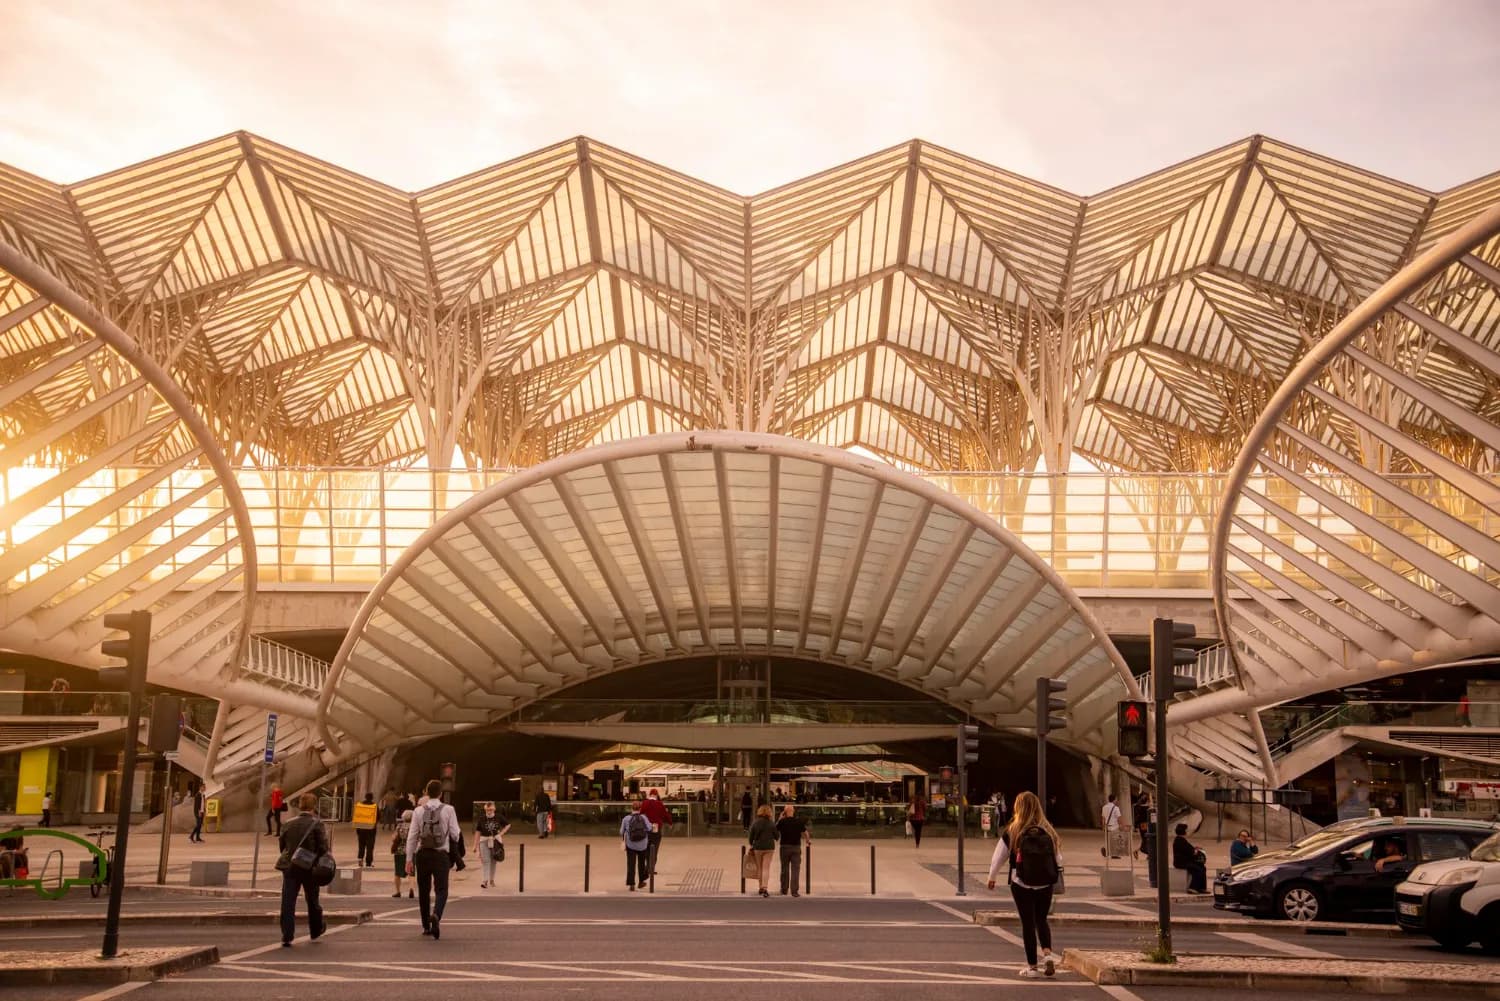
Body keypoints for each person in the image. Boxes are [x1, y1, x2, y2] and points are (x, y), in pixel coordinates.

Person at [987, 790, 1061, 979]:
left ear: (1018, 808)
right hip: (1045, 883)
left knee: (1027, 923)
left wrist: (992, 877)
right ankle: (1047, 954)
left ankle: (1032, 967)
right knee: (1041, 919)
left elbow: (999, 857)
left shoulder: (1013, 830)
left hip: (1020, 882)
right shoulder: (1049, 830)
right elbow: (1059, 859)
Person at [406, 779, 460, 940]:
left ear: (427, 793)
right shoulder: (449, 809)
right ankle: (436, 914)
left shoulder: (418, 811)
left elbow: (412, 836)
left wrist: (409, 859)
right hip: (440, 854)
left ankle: (425, 926)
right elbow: (455, 833)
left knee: (423, 891)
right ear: (441, 794)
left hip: (423, 854)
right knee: (441, 889)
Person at [276, 792, 329, 948]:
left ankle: (287, 935)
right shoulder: (317, 824)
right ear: (313, 806)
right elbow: (323, 848)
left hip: (290, 866)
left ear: (300, 806)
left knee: (288, 901)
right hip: (309, 867)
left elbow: (282, 846)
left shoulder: (288, 823)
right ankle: (315, 929)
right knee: (312, 900)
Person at [775, 804, 810, 897]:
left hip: (784, 847)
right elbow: (805, 832)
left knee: (784, 869)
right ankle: (794, 891)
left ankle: (784, 889)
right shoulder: (798, 822)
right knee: (795, 869)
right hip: (796, 847)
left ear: (784, 812)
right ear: (793, 812)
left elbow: (775, 830)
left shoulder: (782, 822)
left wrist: (779, 818)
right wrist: (808, 841)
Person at [474, 801, 509, 889]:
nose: (489, 812)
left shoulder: (498, 817)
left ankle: (492, 879)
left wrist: (501, 833)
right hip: (484, 841)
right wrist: (475, 845)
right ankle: (485, 881)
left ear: (494, 809)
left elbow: (508, 825)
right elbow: (478, 832)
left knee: (494, 861)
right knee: (486, 861)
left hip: (495, 841)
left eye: (490, 810)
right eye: (487, 810)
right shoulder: (481, 818)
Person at [620, 800, 652, 890]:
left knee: (631, 864)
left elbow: (621, 831)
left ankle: (631, 884)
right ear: (640, 808)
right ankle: (641, 881)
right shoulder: (644, 818)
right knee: (641, 863)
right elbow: (649, 828)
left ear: (631, 808)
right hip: (643, 845)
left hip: (631, 845)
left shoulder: (626, 819)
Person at [747, 804, 776, 897]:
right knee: (766, 868)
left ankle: (760, 887)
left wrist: (751, 844)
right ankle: (765, 887)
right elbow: (777, 836)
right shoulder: (771, 823)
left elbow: (751, 836)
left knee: (759, 868)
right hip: (769, 847)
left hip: (758, 847)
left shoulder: (755, 823)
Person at [640, 788, 671, 875]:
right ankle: (651, 868)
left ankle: (646, 867)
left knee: (646, 848)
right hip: (656, 828)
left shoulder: (645, 803)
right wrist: (670, 822)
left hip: (646, 828)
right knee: (655, 848)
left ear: (650, 795)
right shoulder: (659, 804)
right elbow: (665, 815)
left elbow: (641, 813)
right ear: (657, 795)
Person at [1172, 823, 1207, 893]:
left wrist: (1195, 848)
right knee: (1198, 870)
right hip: (1182, 862)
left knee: (1202, 867)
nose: (1187, 831)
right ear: (1184, 831)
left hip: (1186, 861)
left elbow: (1189, 848)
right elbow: (1190, 851)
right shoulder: (1180, 841)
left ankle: (1201, 888)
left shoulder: (1181, 840)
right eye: (1186, 830)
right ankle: (1193, 887)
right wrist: (1195, 851)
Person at [391, 807, 414, 898]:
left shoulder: (399, 826)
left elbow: (394, 838)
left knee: (397, 872)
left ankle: (398, 891)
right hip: (411, 851)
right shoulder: (414, 826)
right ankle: (411, 889)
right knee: (411, 872)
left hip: (400, 851)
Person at [352, 792, 378, 867]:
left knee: (361, 845)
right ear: (372, 798)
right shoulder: (374, 806)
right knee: (370, 847)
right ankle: (368, 863)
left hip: (361, 829)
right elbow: (378, 817)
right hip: (371, 829)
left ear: (365, 797)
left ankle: (360, 859)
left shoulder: (359, 805)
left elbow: (356, 816)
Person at [1134, 817, 1156, 888]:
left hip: (1144, 828)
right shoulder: (1144, 815)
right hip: (1144, 828)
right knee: (1144, 844)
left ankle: (1145, 853)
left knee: (1144, 843)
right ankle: (1149, 854)